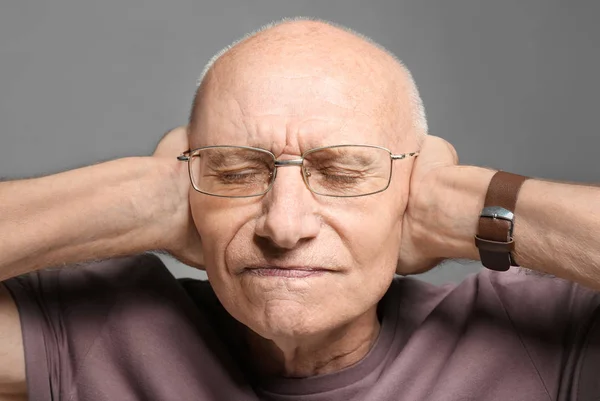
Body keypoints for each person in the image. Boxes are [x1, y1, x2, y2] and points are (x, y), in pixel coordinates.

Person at [0, 18, 599, 401]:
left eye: (342, 174)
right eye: (236, 173)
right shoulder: (98, 333)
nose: (284, 226)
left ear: (411, 190)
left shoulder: (540, 338)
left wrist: (476, 209)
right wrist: (141, 198)